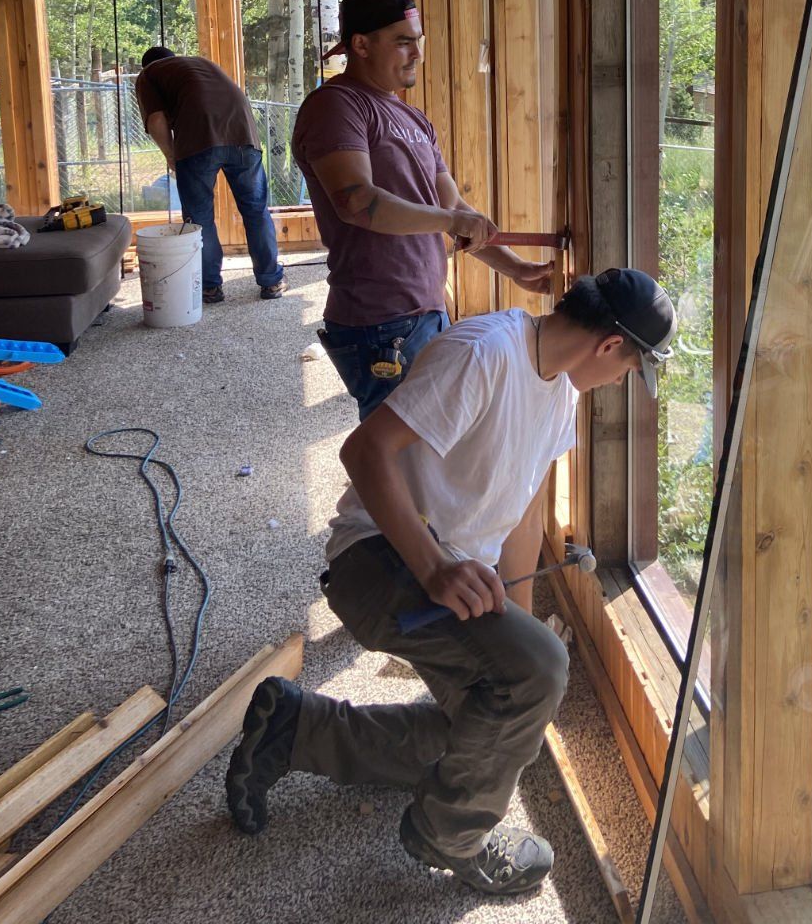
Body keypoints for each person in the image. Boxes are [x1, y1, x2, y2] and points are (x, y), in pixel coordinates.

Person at [226, 268, 677, 896]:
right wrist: (434, 568)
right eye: (630, 367)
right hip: (378, 560)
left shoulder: (561, 393)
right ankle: (453, 837)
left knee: (489, 739)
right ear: (609, 346)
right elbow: (363, 451)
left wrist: (516, 630)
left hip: (442, 578)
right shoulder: (483, 354)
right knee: (537, 678)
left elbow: (523, 513)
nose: (623, 379)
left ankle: (297, 730)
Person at [291, 0, 552, 417]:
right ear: (360, 45)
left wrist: (519, 270)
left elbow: (457, 210)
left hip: (425, 311)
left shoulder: (413, 118)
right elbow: (356, 202)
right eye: (403, 42)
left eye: (419, 42)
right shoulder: (336, 107)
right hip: (379, 322)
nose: (417, 54)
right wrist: (450, 221)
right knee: (401, 458)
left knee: (427, 452)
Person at [135, 47, 285, 304]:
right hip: (243, 133)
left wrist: (170, 155)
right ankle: (271, 282)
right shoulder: (199, 64)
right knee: (255, 210)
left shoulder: (149, 73)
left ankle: (210, 287)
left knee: (199, 217)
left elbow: (156, 120)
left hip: (198, 139)